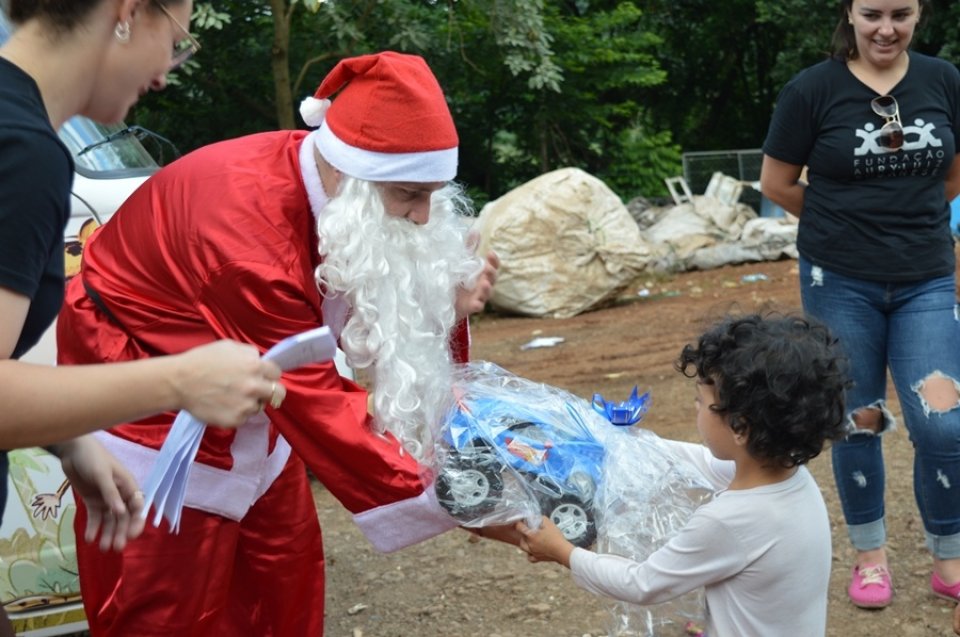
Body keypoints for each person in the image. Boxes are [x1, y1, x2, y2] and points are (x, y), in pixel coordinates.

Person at [56, 50, 500, 636]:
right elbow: (315, 398)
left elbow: (351, 293)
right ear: (352, 175)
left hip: (249, 385)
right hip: (146, 391)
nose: (422, 219)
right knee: (168, 601)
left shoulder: (330, 175)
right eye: (410, 196)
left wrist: (446, 300)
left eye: (430, 196)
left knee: (281, 574)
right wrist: (469, 500)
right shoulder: (246, 235)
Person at [0, 2, 282, 634]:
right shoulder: (23, 151)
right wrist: (177, 381)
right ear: (126, 13)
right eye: (176, 40)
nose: (163, 75)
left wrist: (70, 440)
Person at [759, 0, 960, 610]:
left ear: (919, 13)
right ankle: (871, 559)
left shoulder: (944, 80)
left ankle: (948, 556)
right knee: (856, 417)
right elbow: (777, 184)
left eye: (900, 13)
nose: (885, 28)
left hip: (926, 276)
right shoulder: (811, 89)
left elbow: (952, 174)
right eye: (872, 12)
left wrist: (911, 217)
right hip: (839, 279)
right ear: (850, 12)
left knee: (942, 423)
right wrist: (843, 227)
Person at [516, 314, 849, 636]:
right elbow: (696, 461)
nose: (695, 408)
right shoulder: (792, 478)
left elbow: (642, 583)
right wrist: (617, 443)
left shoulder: (729, 520)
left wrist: (563, 551)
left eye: (700, 401)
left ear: (740, 427)